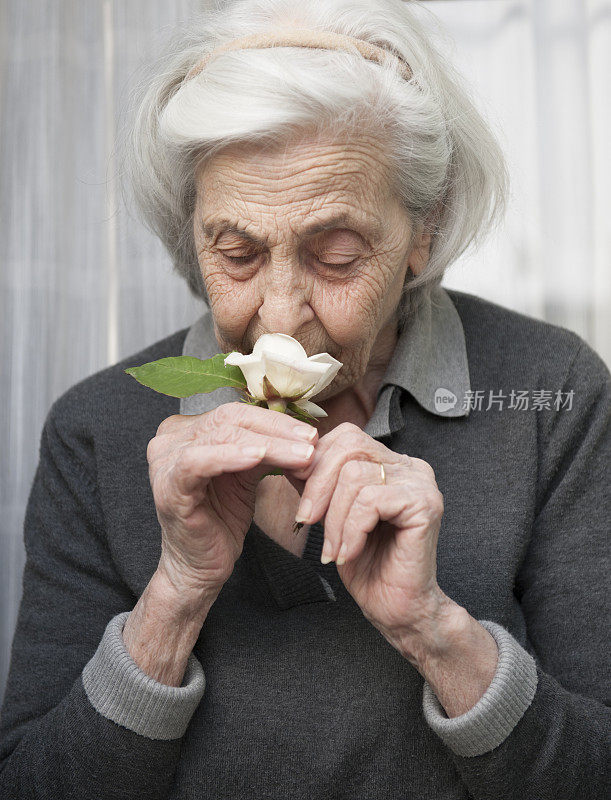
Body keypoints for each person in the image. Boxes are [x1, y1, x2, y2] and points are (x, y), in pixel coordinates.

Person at [0, 0, 609, 798]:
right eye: (237, 253)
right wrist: (175, 599)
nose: (279, 315)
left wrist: (432, 630)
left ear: (423, 229)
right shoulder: (95, 429)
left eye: (336, 255)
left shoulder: (548, 392)